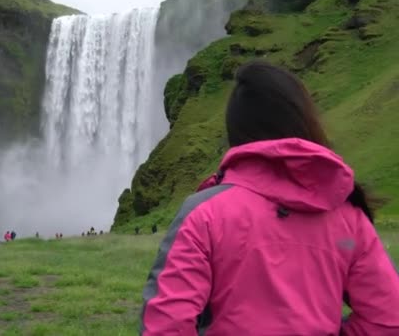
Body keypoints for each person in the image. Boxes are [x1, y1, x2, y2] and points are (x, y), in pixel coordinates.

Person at [140, 61, 399, 335]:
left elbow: (166, 325)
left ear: (237, 134)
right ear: (304, 122)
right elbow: (388, 319)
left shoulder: (204, 214)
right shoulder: (349, 217)